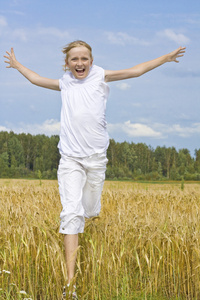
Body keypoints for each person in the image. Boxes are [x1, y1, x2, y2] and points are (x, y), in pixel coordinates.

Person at [4, 41, 185, 299]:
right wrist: (18, 64)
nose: (80, 63)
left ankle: (85, 222)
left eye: (84, 59)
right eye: (74, 59)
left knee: (89, 210)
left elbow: (135, 71)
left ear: (91, 60)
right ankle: (70, 286)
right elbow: (35, 79)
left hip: (96, 159)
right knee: (71, 213)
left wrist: (165, 58)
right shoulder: (64, 82)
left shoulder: (101, 75)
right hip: (70, 159)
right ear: (66, 63)